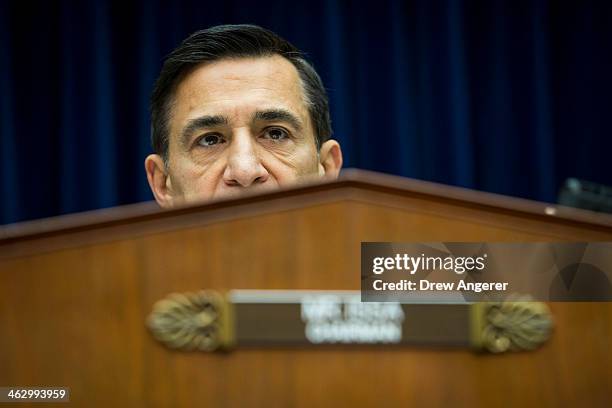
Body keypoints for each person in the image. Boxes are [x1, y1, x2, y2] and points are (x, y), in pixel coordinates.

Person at [145, 24, 343, 208]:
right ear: (162, 183)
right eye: (210, 140)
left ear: (326, 168)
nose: (245, 172)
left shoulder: (370, 246)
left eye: (276, 134)